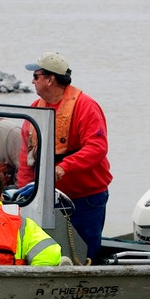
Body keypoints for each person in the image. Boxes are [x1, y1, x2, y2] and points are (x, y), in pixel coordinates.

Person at [18, 51, 112, 263]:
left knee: (86, 253)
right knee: (45, 251)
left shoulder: (85, 107)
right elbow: (26, 158)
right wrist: (24, 193)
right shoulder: (35, 109)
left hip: (86, 198)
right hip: (45, 200)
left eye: (36, 76)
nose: (32, 81)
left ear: (50, 79)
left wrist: (64, 166)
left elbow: (97, 147)